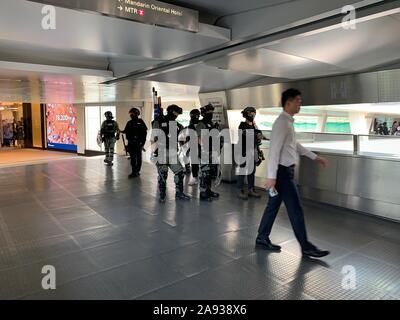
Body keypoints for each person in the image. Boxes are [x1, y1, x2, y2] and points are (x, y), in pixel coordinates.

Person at [256, 88, 330, 258]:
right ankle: (306, 246)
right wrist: (272, 177)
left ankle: (261, 237)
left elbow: (294, 145)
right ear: (288, 102)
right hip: (282, 175)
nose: (300, 103)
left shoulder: (287, 123)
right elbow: (274, 151)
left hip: (283, 173)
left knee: (272, 207)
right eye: (298, 100)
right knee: (295, 210)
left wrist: (314, 157)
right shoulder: (282, 123)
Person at [151, 104, 190, 203]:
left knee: (180, 173)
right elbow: (153, 137)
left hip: (173, 153)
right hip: (162, 152)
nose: (177, 115)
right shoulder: (159, 121)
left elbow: (181, 139)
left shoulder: (176, 124)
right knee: (163, 175)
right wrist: (154, 151)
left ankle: (179, 193)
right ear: (171, 112)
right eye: (176, 113)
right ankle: (162, 195)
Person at [196, 104, 221, 201]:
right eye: (209, 112)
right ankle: (203, 192)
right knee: (204, 173)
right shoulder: (201, 124)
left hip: (212, 151)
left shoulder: (211, 123)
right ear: (204, 113)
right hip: (204, 152)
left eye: (212, 112)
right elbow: (198, 138)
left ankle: (208, 190)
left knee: (211, 173)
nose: (211, 114)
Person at [237, 107, 262, 200]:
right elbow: (248, 134)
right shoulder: (242, 125)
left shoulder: (254, 125)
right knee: (242, 171)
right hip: (243, 151)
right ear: (247, 114)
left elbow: (258, 134)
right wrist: (257, 135)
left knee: (252, 171)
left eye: (254, 114)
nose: (253, 116)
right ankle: (240, 190)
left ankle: (251, 189)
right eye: (251, 114)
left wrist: (258, 135)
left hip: (252, 150)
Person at [122, 108, 148, 178]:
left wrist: (142, 143)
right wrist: (120, 131)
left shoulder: (141, 122)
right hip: (131, 143)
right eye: (130, 114)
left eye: (132, 114)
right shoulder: (129, 122)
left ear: (136, 114)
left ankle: (137, 171)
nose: (131, 115)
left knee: (138, 158)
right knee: (133, 159)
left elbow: (144, 133)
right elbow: (125, 131)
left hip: (138, 143)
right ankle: (134, 172)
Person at [185, 109, 201, 186]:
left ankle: (201, 178)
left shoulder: (201, 124)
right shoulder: (190, 125)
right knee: (194, 163)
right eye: (192, 116)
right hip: (193, 146)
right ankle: (194, 177)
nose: (193, 117)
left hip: (201, 146)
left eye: (194, 115)